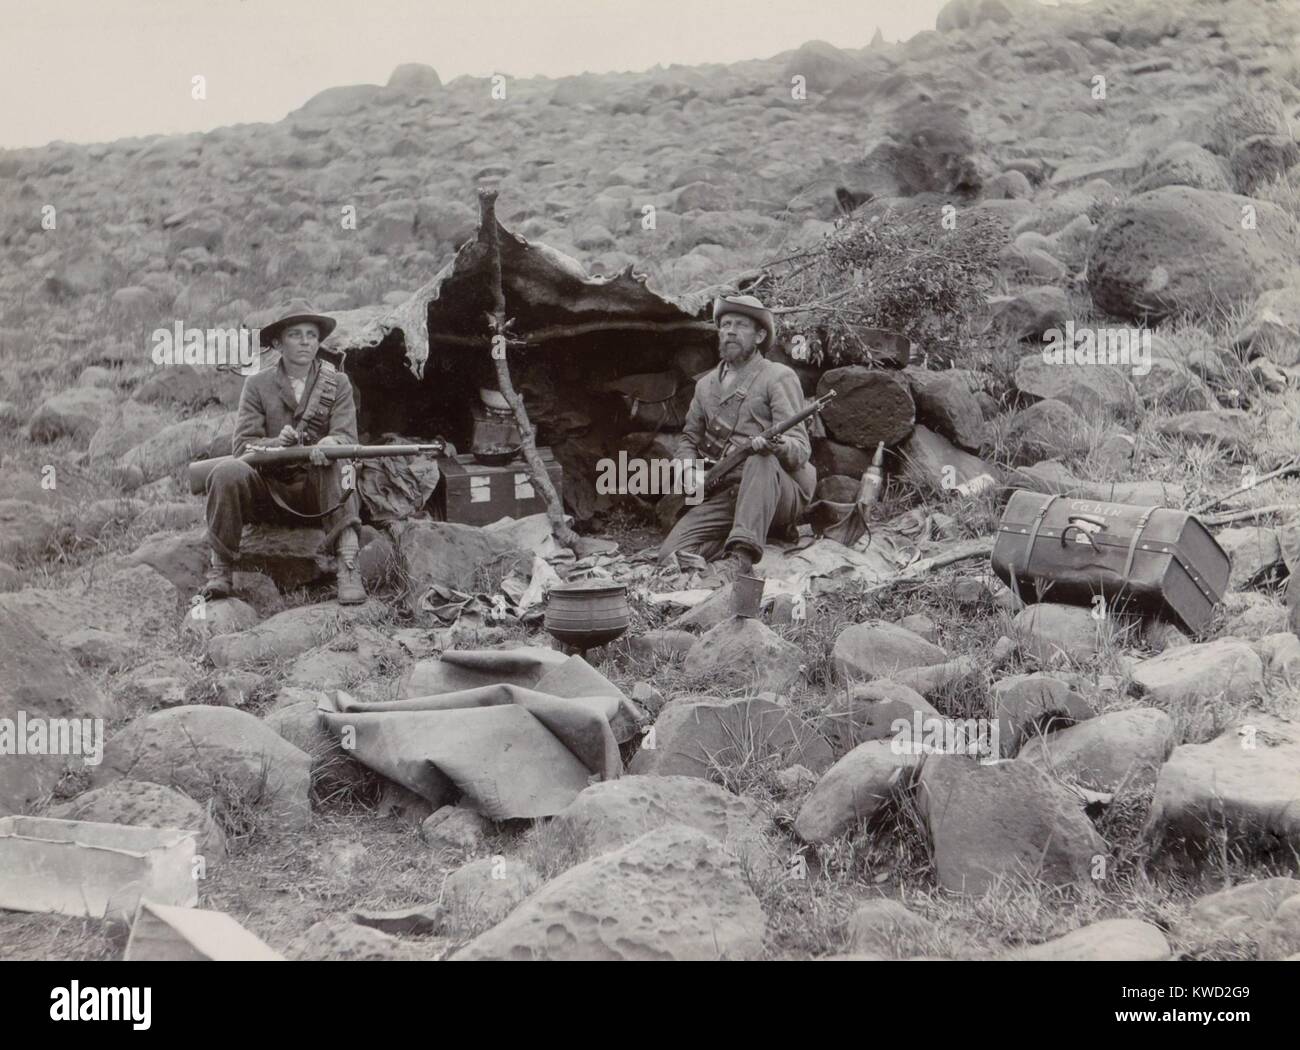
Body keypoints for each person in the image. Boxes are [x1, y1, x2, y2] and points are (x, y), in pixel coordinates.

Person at [200, 299, 366, 604]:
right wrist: (279, 444)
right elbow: (243, 446)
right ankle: (220, 571)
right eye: (296, 334)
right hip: (270, 491)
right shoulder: (257, 385)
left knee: (341, 463)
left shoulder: (338, 383)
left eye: (312, 335)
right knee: (226, 472)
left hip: (319, 493)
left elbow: (346, 436)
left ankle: (348, 568)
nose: (305, 342)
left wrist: (330, 445)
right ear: (277, 342)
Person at [657, 294, 815, 580]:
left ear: (759, 336)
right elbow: (688, 441)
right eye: (725, 324)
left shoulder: (778, 376)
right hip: (728, 491)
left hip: (779, 489)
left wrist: (776, 445)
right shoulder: (705, 386)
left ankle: (741, 559)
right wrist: (689, 468)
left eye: (740, 325)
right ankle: (744, 535)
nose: (730, 331)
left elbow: (801, 450)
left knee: (760, 459)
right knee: (669, 555)